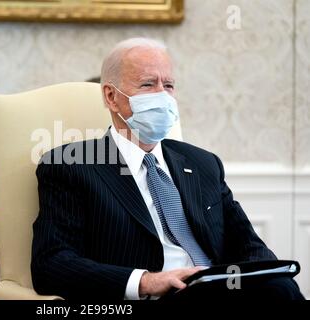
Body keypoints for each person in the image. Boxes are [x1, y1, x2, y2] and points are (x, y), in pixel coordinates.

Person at [31, 38, 304, 300]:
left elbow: (249, 245)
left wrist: (263, 274)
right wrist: (147, 281)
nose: (162, 95)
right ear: (111, 96)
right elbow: (52, 264)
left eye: (169, 85)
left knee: (280, 288)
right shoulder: (72, 165)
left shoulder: (203, 164)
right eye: (148, 84)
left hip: (218, 287)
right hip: (158, 295)